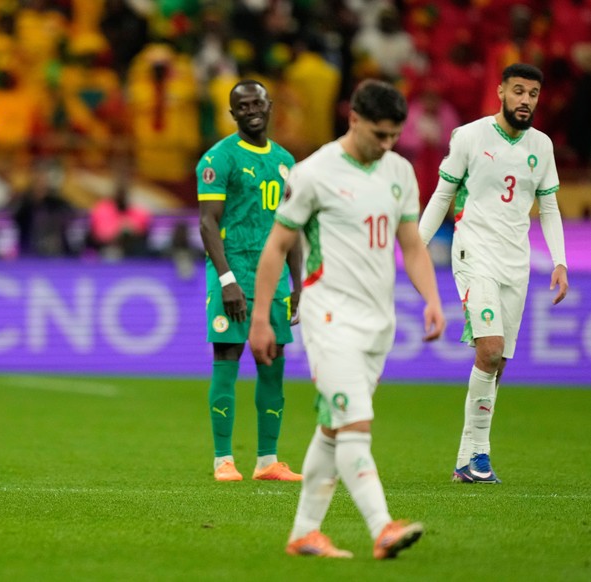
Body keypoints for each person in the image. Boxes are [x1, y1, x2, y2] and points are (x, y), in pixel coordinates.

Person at [249, 79, 445, 559]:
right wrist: (260, 316)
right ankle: (382, 527)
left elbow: (412, 244)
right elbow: (277, 245)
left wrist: (433, 299)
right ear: (353, 118)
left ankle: (303, 534)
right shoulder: (314, 172)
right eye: (379, 134)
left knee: (335, 428)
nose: (387, 145)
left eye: (394, 136)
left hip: (379, 323)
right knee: (356, 421)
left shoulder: (398, 170)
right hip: (328, 315)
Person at [418, 63, 568, 485]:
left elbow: (551, 207)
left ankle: (467, 460)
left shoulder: (542, 145)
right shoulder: (469, 136)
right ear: (500, 91)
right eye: (518, 90)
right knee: (490, 349)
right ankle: (479, 455)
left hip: (515, 262)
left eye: (533, 93)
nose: (525, 100)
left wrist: (559, 260)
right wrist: (417, 244)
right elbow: (443, 193)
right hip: (474, 251)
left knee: (497, 361)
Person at [197, 80, 303, 483]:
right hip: (232, 269)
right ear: (233, 113)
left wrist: (299, 284)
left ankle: (267, 461)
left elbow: (290, 226)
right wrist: (226, 280)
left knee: (272, 362)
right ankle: (223, 459)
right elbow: (208, 221)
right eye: (242, 106)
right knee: (227, 357)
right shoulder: (218, 158)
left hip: (273, 277)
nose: (251, 110)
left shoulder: (286, 161)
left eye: (257, 103)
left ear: (269, 105)